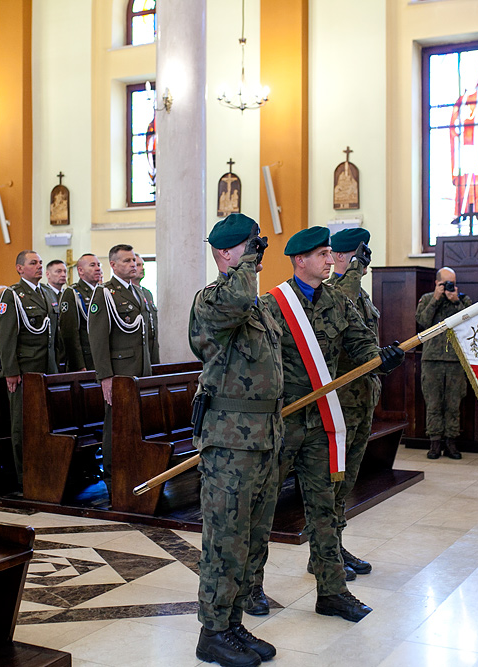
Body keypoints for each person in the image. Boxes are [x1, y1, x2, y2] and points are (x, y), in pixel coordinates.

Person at [249, 226, 405, 623]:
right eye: (322, 254)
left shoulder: (338, 301)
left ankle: (332, 592)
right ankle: (250, 586)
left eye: (330, 254)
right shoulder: (271, 304)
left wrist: (379, 357)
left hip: (322, 423)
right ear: (300, 260)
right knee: (263, 509)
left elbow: (358, 341)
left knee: (324, 507)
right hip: (283, 423)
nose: (329, 260)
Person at [191, 214, 280, 667]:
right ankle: (212, 632)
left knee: (252, 539)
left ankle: (233, 622)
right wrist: (245, 266)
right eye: (249, 247)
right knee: (225, 539)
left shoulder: (258, 305)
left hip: (264, 439)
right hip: (229, 444)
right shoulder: (212, 301)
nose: (257, 255)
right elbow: (237, 296)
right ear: (226, 253)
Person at [325, 228, 381, 580]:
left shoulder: (360, 295)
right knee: (333, 481)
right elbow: (340, 311)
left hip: (362, 399)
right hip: (340, 403)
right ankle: (325, 553)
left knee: (347, 484)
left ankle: (337, 544)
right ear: (342, 257)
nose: (364, 261)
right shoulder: (333, 292)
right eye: (358, 254)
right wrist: (353, 270)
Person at [0, 250, 71, 485]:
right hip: (25, 369)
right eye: (33, 263)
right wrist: (10, 370)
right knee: (23, 423)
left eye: (39, 262)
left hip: (46, 366)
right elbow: (4, 336)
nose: (39, 266)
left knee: (45, 421)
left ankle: (45, 472)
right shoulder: (13, 295)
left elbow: (53, 333)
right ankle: (25, 475)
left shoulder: (47, 293)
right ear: (20, 268)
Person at [88, 244, 158, 489]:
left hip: (140, 370)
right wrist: (105, 376)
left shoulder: (138, 292)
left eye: (135, 261)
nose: (133, 265)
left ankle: (133, 471)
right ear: (113, 265)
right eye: (127, 261)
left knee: (135, 423)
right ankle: (112, 477)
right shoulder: (105, 293)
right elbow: (97, 338)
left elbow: (146, 336)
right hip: (120, 372)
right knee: (115, 424)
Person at [416, 266, 473, 459]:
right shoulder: (426, 299)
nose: (449, 286)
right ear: (436, 283)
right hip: (431, 360)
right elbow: (422, 322)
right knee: (433, 403)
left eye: (452, 284)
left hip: (455, 360)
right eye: (445, 283)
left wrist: (455, 302)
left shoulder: (462, 300)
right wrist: (436, 299)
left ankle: (451, 443)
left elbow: (469, 324)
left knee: (453, 404)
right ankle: (434, 443)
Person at [44, 259, 84, 371]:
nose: (63, 275)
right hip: (55, 350)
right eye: (58, 271)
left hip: (68, 350)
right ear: (48, 274)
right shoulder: (44, 295)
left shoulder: (70, 294)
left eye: (64, 271)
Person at [72, 253, 103, 370]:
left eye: (99, 265)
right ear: (81, 271)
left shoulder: (102, 292)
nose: (98, 268)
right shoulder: (74, 293)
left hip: (101, 357)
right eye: (92, 265)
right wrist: (79, 364)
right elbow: (71, 334)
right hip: (87, 358)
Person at [133, 253, 161, 363]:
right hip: (137, 352)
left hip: (151, 349)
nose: (142, 268)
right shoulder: (129, 293)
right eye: (138, 265)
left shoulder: (147, 293)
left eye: (142, 265)